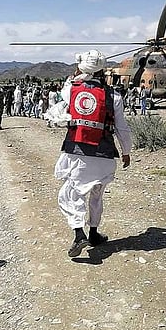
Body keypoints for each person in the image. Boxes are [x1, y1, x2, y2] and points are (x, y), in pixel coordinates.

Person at [54, 50, 132, 258]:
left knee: (71, 194)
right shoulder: (113, 95)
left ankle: (79, 234)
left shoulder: (71, 89)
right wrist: (126, 151)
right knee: (96, 195)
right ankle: (94, 233)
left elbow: (67, 89)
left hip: (78, 152)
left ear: (82, 69)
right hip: (104, 154)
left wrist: (76, 74)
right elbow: (122, 128)